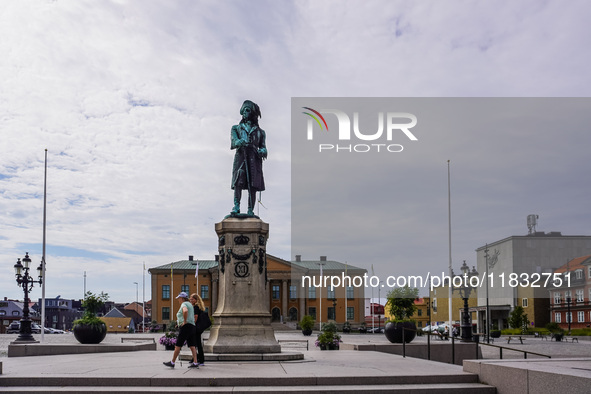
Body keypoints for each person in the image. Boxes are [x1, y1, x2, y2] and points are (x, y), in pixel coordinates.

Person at [230, 100, 267, 216]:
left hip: (254, 158)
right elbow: (234, 140)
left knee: (253, 184)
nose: (245, 112)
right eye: (244, 110)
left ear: (252, 113)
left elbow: (264, 147)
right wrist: (238, 142)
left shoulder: (261, 132)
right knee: (238, 180)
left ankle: (250, 209)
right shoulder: (236, 128)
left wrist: (263, 151)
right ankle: (236, 206)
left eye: (247, 110)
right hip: (241, 156)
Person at [163, 292, 199, 369]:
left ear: (182, 298)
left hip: (185, 327)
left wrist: (184, 321)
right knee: (192, 346)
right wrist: (179, 323)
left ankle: (172, 362)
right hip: (192, 326)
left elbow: (185, 311)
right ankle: (195, 362)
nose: (178, 300)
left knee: (178, 345)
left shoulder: (184, 304)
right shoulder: (190, 305)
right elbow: (190, 315)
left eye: (179, 298)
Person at [189, 293, 206, 366]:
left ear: (196, 300)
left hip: (196, 327)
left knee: (196, 344)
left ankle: (200, 360)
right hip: (199, 328)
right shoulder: (199, 307)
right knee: (197, 343)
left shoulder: (196, 307)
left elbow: (195, 318)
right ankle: (197, 359)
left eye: (192, 299)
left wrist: (192, 325)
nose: (190, 300)